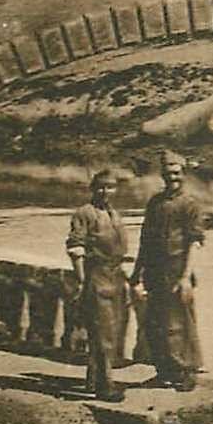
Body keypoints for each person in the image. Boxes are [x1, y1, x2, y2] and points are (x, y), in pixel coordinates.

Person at [131, 151, 205, 390]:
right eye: (168, 173)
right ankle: (164, 371)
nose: (172, 178)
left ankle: (187, 371)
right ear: (162, 175)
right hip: (155, 273)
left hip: (177, 272)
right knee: (155, 323)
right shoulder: (155, 203)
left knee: (180, 323)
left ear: (183, 174)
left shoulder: (190, 204)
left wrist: (185, 278)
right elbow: (145, 241)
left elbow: (195, 241)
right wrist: (136, 273)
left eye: (176, 173)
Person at [67, 170, 129, 402]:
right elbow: (76, 248)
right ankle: (105, 386)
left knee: (111, 331)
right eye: (101, 187)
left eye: (110, 187)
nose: (106, 192)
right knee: (102, 332)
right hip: (96, 276)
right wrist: (82, 280)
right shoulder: (84, 213)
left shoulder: (114, 214)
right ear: (93, 188)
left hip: (116, 276)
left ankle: (94, 379)